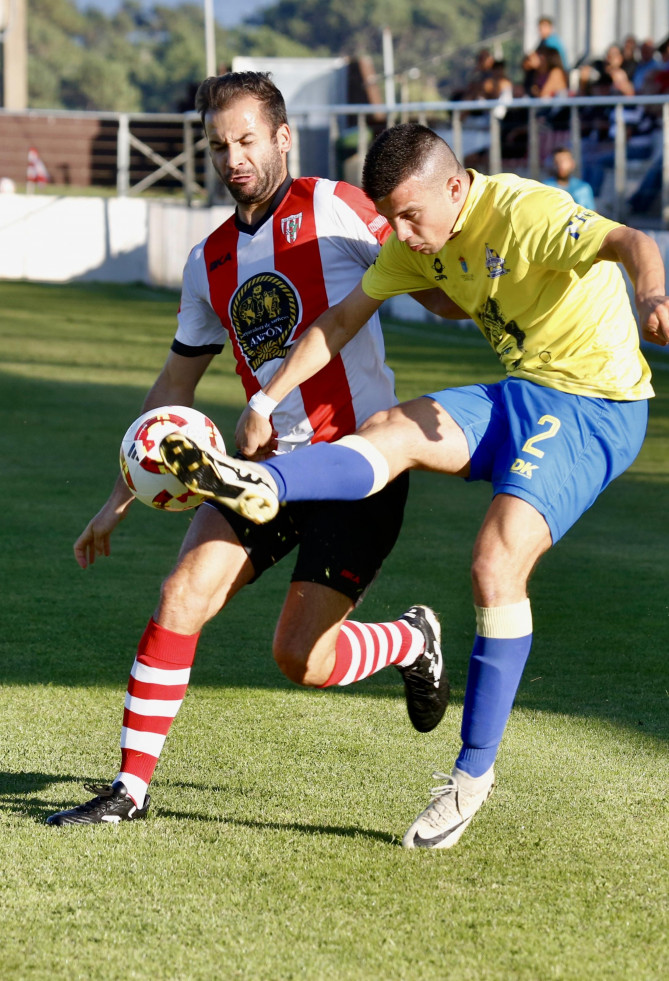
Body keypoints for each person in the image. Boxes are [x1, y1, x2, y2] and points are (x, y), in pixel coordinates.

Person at [160, 122, 669, 849]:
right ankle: (260, 478)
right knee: (392, 427)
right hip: (523, 390)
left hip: (597, 406)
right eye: (389, 217)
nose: (396, 234)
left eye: (408, 216)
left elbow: (630, 242)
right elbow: (338, 320)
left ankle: (469, 777)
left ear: (456, 188)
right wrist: (267, 402)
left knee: (495, 562)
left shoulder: (524, 211)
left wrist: (652, 294)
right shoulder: (411, 240)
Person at [46, 74, 461, 827]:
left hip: (361, 464)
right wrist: (118, 497)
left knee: (299, 659)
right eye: (217, 145)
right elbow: (175, 383)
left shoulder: (336, 206)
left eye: (245, 140)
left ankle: (410, 636)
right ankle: (129, 791)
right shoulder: (208, 261)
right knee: (180, 596)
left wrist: (492, 297)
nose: (232, 157)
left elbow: (428, 274)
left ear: (280, 138)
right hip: (258, 472)